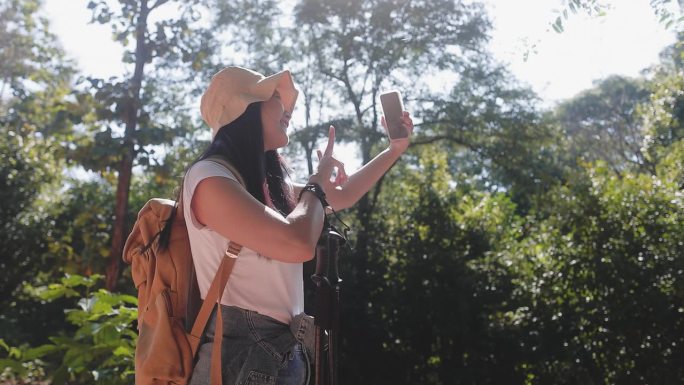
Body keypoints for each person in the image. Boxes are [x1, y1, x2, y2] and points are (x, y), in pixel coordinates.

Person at [180, 66, 414, 385]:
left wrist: (393, 150)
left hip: (282, 352)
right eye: (276, 98)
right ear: (243, 110)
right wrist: (316, 184)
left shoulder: (263, 186)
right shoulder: (208, 179)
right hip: (242, 356)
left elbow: (342, 195)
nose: (288, 109)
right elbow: (298, 243)